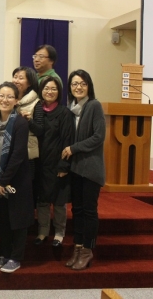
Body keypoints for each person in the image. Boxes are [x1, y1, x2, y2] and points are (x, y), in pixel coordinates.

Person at [62, 70, 106, 270]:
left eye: (82, 83)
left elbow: (98, 137)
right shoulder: (71, 110)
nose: (78, 87)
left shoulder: (94, 106)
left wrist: (74, 148)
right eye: (74, 84)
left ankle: (88, 250)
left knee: (89, 211)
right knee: (77, 210)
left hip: (91, 169)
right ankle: (78, 248)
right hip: (76, 168)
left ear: (89, 86)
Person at [0, 82, 34, 273]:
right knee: (4, 219)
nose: (4, 100)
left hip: (17, 180)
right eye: (1, 95)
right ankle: (4, 254)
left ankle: (16, 257)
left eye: (9, 97)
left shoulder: (20, 123)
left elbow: (18, 154)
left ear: (16, 101)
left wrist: (4, 180)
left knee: (18, 219)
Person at [33, 77, 75, 247]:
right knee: (42, 200)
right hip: (40, 164)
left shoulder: (64, 113)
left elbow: (67, 140)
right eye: (46, 88)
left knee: (58, 201)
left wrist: (64, 165)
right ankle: (43, 232)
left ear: (59, 92)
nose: (49, 92)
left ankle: (59, 233)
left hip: (58, 164)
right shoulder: (37, 111)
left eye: (53, 89)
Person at [12, 66, 44, 179]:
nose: (16, 80)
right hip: (10, 152)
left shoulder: (36, 103)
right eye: (15, 77)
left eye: (21, 78)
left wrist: (29, 120)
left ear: (29, 83)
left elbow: (40, 130)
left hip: (27, 154)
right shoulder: (8, 100)